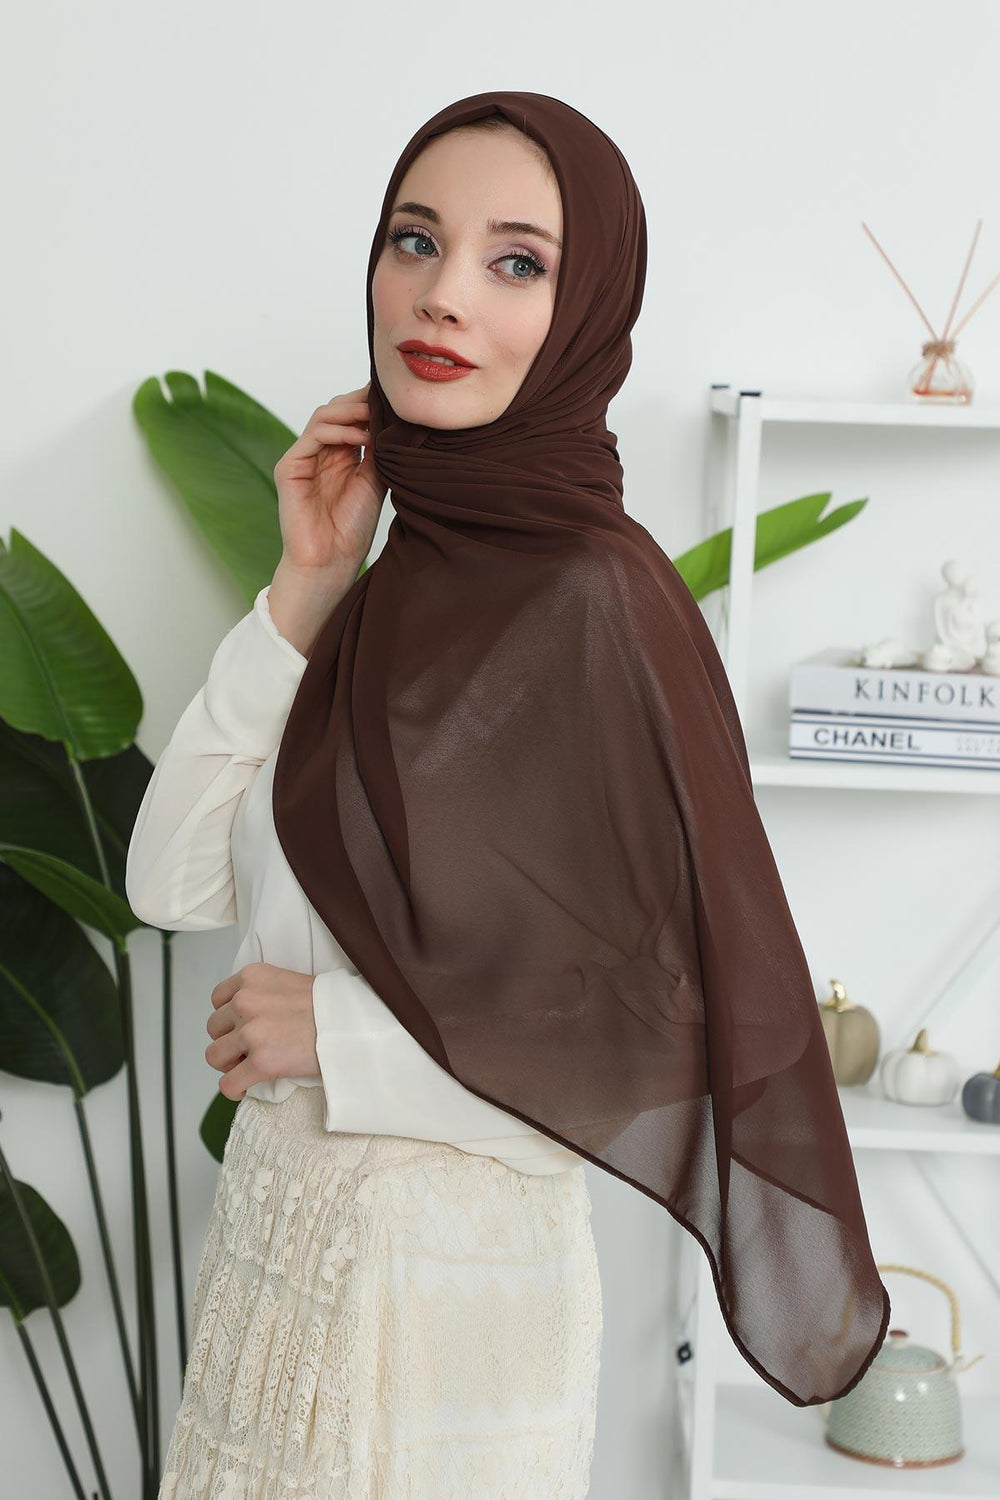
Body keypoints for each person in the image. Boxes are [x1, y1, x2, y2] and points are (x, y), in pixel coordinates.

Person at [127, 102, 604, 1500]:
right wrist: (306, 590)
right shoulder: (388, 596)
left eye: (516, 261)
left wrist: (330, 1032)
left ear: (588, 311)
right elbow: (171, 885)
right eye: (415, 241)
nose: (443, 294)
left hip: (446, 1317)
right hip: (286, 1265)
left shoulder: (591, 607)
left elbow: (641, 1047)